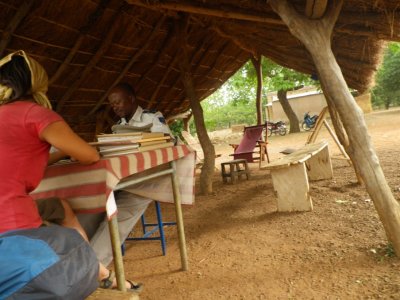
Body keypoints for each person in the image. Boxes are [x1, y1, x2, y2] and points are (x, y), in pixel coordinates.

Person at [0, 51, 140, 297]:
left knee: (60, 206)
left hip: (12, 206)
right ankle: (96, 271)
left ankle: (99, 271)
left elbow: (19, 159)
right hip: (10, 220)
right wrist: (69, 150)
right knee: (63, 250)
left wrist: (57, 154)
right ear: (37, 83)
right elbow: (90, 156)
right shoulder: (36, 115)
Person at [87, 82, 171, 267]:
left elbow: (165, 144)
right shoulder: (119, 125)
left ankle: (93, 266)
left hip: (149, 178)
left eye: (118, 102)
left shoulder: (152, 117)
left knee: (121, 213)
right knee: (95, 205)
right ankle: (82, 258)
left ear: (131, 99)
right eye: (112, 104)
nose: (115, 107)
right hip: (126, 178)